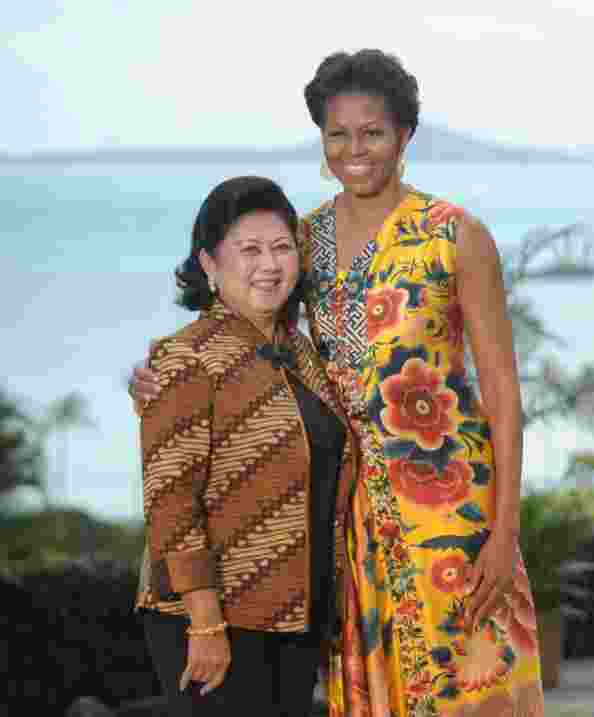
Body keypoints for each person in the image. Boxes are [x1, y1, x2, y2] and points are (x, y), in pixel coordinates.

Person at [133, 49, 544, 717]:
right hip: (343, 526)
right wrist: (152, 378)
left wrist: (503, 532)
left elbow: (503, 393)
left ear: (405, 135)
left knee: (469, 690)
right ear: (322, 143)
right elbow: (246, 333)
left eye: (373, 132)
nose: (357, 150)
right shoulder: (304, 239)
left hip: (449, 510)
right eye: (338, 134)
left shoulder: (456, 237)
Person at [134, 176, 357, 716]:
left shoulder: (302, 353)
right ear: (209, 264)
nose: (270, 264)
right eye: (249, 250)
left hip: (296, 616)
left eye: (282, 248)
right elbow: (171, 505)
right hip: (212, 620)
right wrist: (205, 622)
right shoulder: (185, 358)